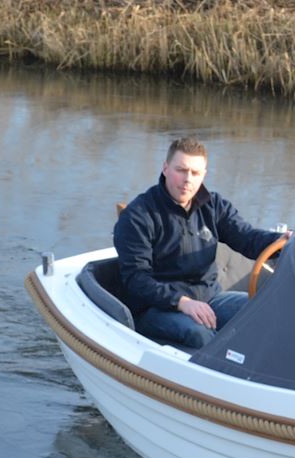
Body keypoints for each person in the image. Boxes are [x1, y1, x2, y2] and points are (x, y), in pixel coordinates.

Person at [114, 137, 286, 349]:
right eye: (181, 170)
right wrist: (182, 302)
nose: (188, 179)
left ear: (203, 174)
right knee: (199, 333)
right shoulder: (137, 215)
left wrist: (284, 242)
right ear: (166, 168)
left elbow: (248, 239)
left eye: (195, 173)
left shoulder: (214, 206)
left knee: (266, 313)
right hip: (156, 309)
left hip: (210, 299)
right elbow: (136, 279)